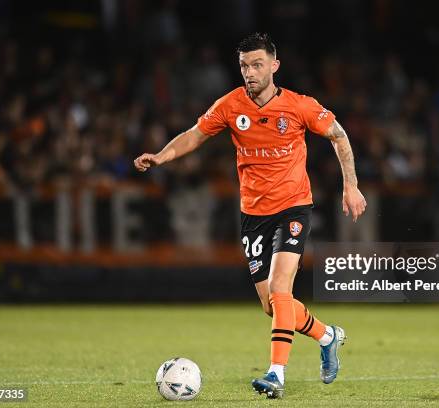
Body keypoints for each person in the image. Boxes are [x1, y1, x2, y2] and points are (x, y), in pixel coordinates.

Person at [134, 33, 367, 399]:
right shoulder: (230, 105)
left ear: (274, 65)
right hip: (253, 215)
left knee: (280, 290)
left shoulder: (299, 106)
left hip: (293, 207)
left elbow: (338, 136)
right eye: (244, 65)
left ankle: (276, 375)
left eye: (257, 64)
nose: (250, 72)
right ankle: (327, 335)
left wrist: (350, 185)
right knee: (271, 306)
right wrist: (161, 156)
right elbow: (194, 136)